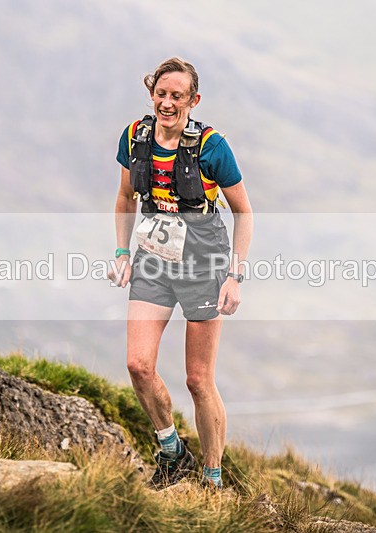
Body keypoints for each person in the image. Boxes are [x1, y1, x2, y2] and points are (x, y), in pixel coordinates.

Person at [110, 57, 253, 490]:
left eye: (177, 96)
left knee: (198, 379)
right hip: (153, 260)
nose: (167, 103)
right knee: (138, 365)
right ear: (151, 94)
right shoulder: (135, 137)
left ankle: (212, 477)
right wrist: (122, 251)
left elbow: (244, 212)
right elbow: (125, 198)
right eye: (161, 94)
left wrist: (234, 276)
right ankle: (172, 451)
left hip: (204, 264)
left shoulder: (212, 147)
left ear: (194, 100)